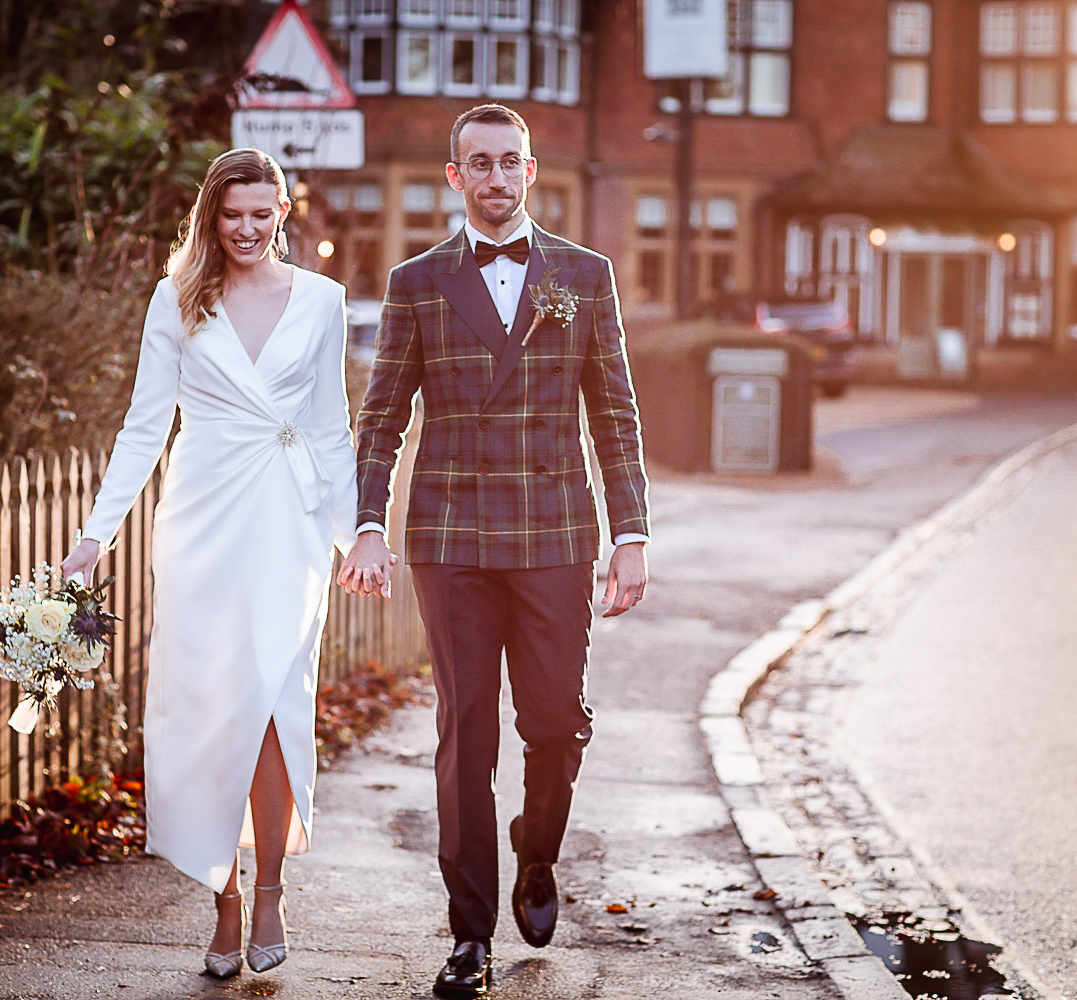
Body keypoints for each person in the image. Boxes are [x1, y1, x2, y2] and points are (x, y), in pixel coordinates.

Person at [339, 104, 651, 997]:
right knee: (465, 733)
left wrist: (629, 534)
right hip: (452, 538)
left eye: (510, 161)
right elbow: (383, 419)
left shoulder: (584, 275)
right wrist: (370, 521)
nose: (496, 177)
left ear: (530, 171)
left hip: (554, 533)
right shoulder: (418, 281)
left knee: (552, 724)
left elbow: (617, 415)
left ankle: (537, 852)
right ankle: (468, 932)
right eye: (478, 163)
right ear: (455, 177)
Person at [60, 147, 358, 979]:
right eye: (234, 215)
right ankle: (222, 899)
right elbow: (144, 426)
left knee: (269, 705)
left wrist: (358, 531)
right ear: (209, 217)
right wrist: (96, 535)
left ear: (284, 213)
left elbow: (332, 425)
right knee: (207, 707)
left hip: (288, 524)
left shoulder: (323, 301)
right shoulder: (178, 299)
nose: (249, 229)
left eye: (264, 213)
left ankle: (270, 886)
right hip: (200, 518)